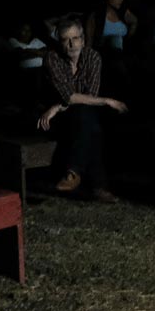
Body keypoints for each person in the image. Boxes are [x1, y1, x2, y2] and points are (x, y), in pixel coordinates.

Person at [38, 18, 127, 202]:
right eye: (65, 40)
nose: (71, 44)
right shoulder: (52, 58)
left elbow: (89, 97)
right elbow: (71, 96)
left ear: (83, 39)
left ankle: (73, 172)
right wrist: (106, 101)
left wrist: (58, 106)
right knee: (91, 125)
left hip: (74, 113)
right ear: (59, 41)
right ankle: (99, 186)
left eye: (75, 38)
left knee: (87, 117)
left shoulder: (93, 57)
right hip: (52, 119)